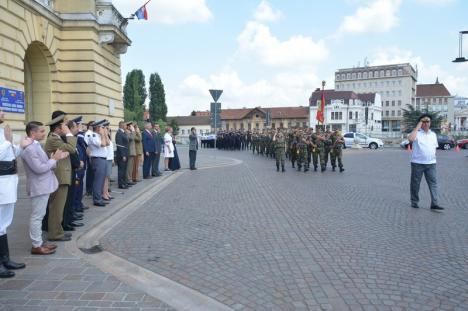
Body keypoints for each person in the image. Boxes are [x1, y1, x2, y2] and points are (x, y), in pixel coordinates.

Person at [21, 121, 69, 255]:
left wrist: (55, 159)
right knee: (37, 216)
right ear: (32, 133)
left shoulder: (35, 146)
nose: (44, 133)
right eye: (41, 131)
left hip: (43, 185)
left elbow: (46, 164)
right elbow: (39, 168)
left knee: (40, 215)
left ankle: (39, 242)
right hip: (38, 186)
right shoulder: (30, 149)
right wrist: (54, 159)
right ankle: (36, 245)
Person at [0, 109, 25, 278]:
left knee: (4, 223)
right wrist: (8, 142)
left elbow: (13, 154)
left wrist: (19, 147)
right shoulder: (5, 136)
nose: (2, 113)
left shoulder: (3, 132)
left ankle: (5, 259)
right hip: (1, 181)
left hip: (9, 180)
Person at [44, 113, 77, 242]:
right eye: (64, 126)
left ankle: (58, 231)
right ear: (58, 128)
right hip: (59, 176)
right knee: (56, 207)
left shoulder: (57, 138)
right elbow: (71, 148)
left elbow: (69, 149)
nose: (66, 128)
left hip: (61, 175)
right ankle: (55, 234)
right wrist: (69, 133)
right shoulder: (54, 139)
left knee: (59, 206)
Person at [408, 114, 443, 211]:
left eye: (428, 121)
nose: (426, 123)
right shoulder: (417, 133)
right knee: (415, 183)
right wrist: (418, 126)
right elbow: (410, 139)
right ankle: (414, 202)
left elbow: (434, 148)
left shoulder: (433, 134)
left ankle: (434, 203)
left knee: (433, 183)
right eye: (424, 121)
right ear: (421, 123)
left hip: (431, 163)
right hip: (417, 163)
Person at [86, 120, 109, 207]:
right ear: (98, 128)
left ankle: (99, 197)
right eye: (102, 127)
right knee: (98, 180)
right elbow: (102, 144)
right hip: (97, 159)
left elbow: (107, 143)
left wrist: (105, 134)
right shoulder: (93, 135)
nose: (103, 129)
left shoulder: (99, 135)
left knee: (101, 180)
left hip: (102, 159)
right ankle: (97, 199)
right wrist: (103, 135)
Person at [115, 121, 129, 189]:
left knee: (124, 169)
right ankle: (121, 184)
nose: (126, 126)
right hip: (121, 155)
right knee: (121, 170)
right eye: (125, 125)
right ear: (121, 126)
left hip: (125, 154)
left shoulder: (123, 132)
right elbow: (120, 145)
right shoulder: (119, 133)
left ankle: (124, 182)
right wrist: (123, 155)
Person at [102, 122, 114, 201]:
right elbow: (108, 144)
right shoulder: (104, 137)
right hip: (106, 158)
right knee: (105, 177)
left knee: (108, 177)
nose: (108, 130)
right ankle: (104, 193)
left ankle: (106, 192)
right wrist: (105, 134)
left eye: (109, 128)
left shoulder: (108, 137)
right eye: (107, 128)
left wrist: (113, 158)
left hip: (109, 158)